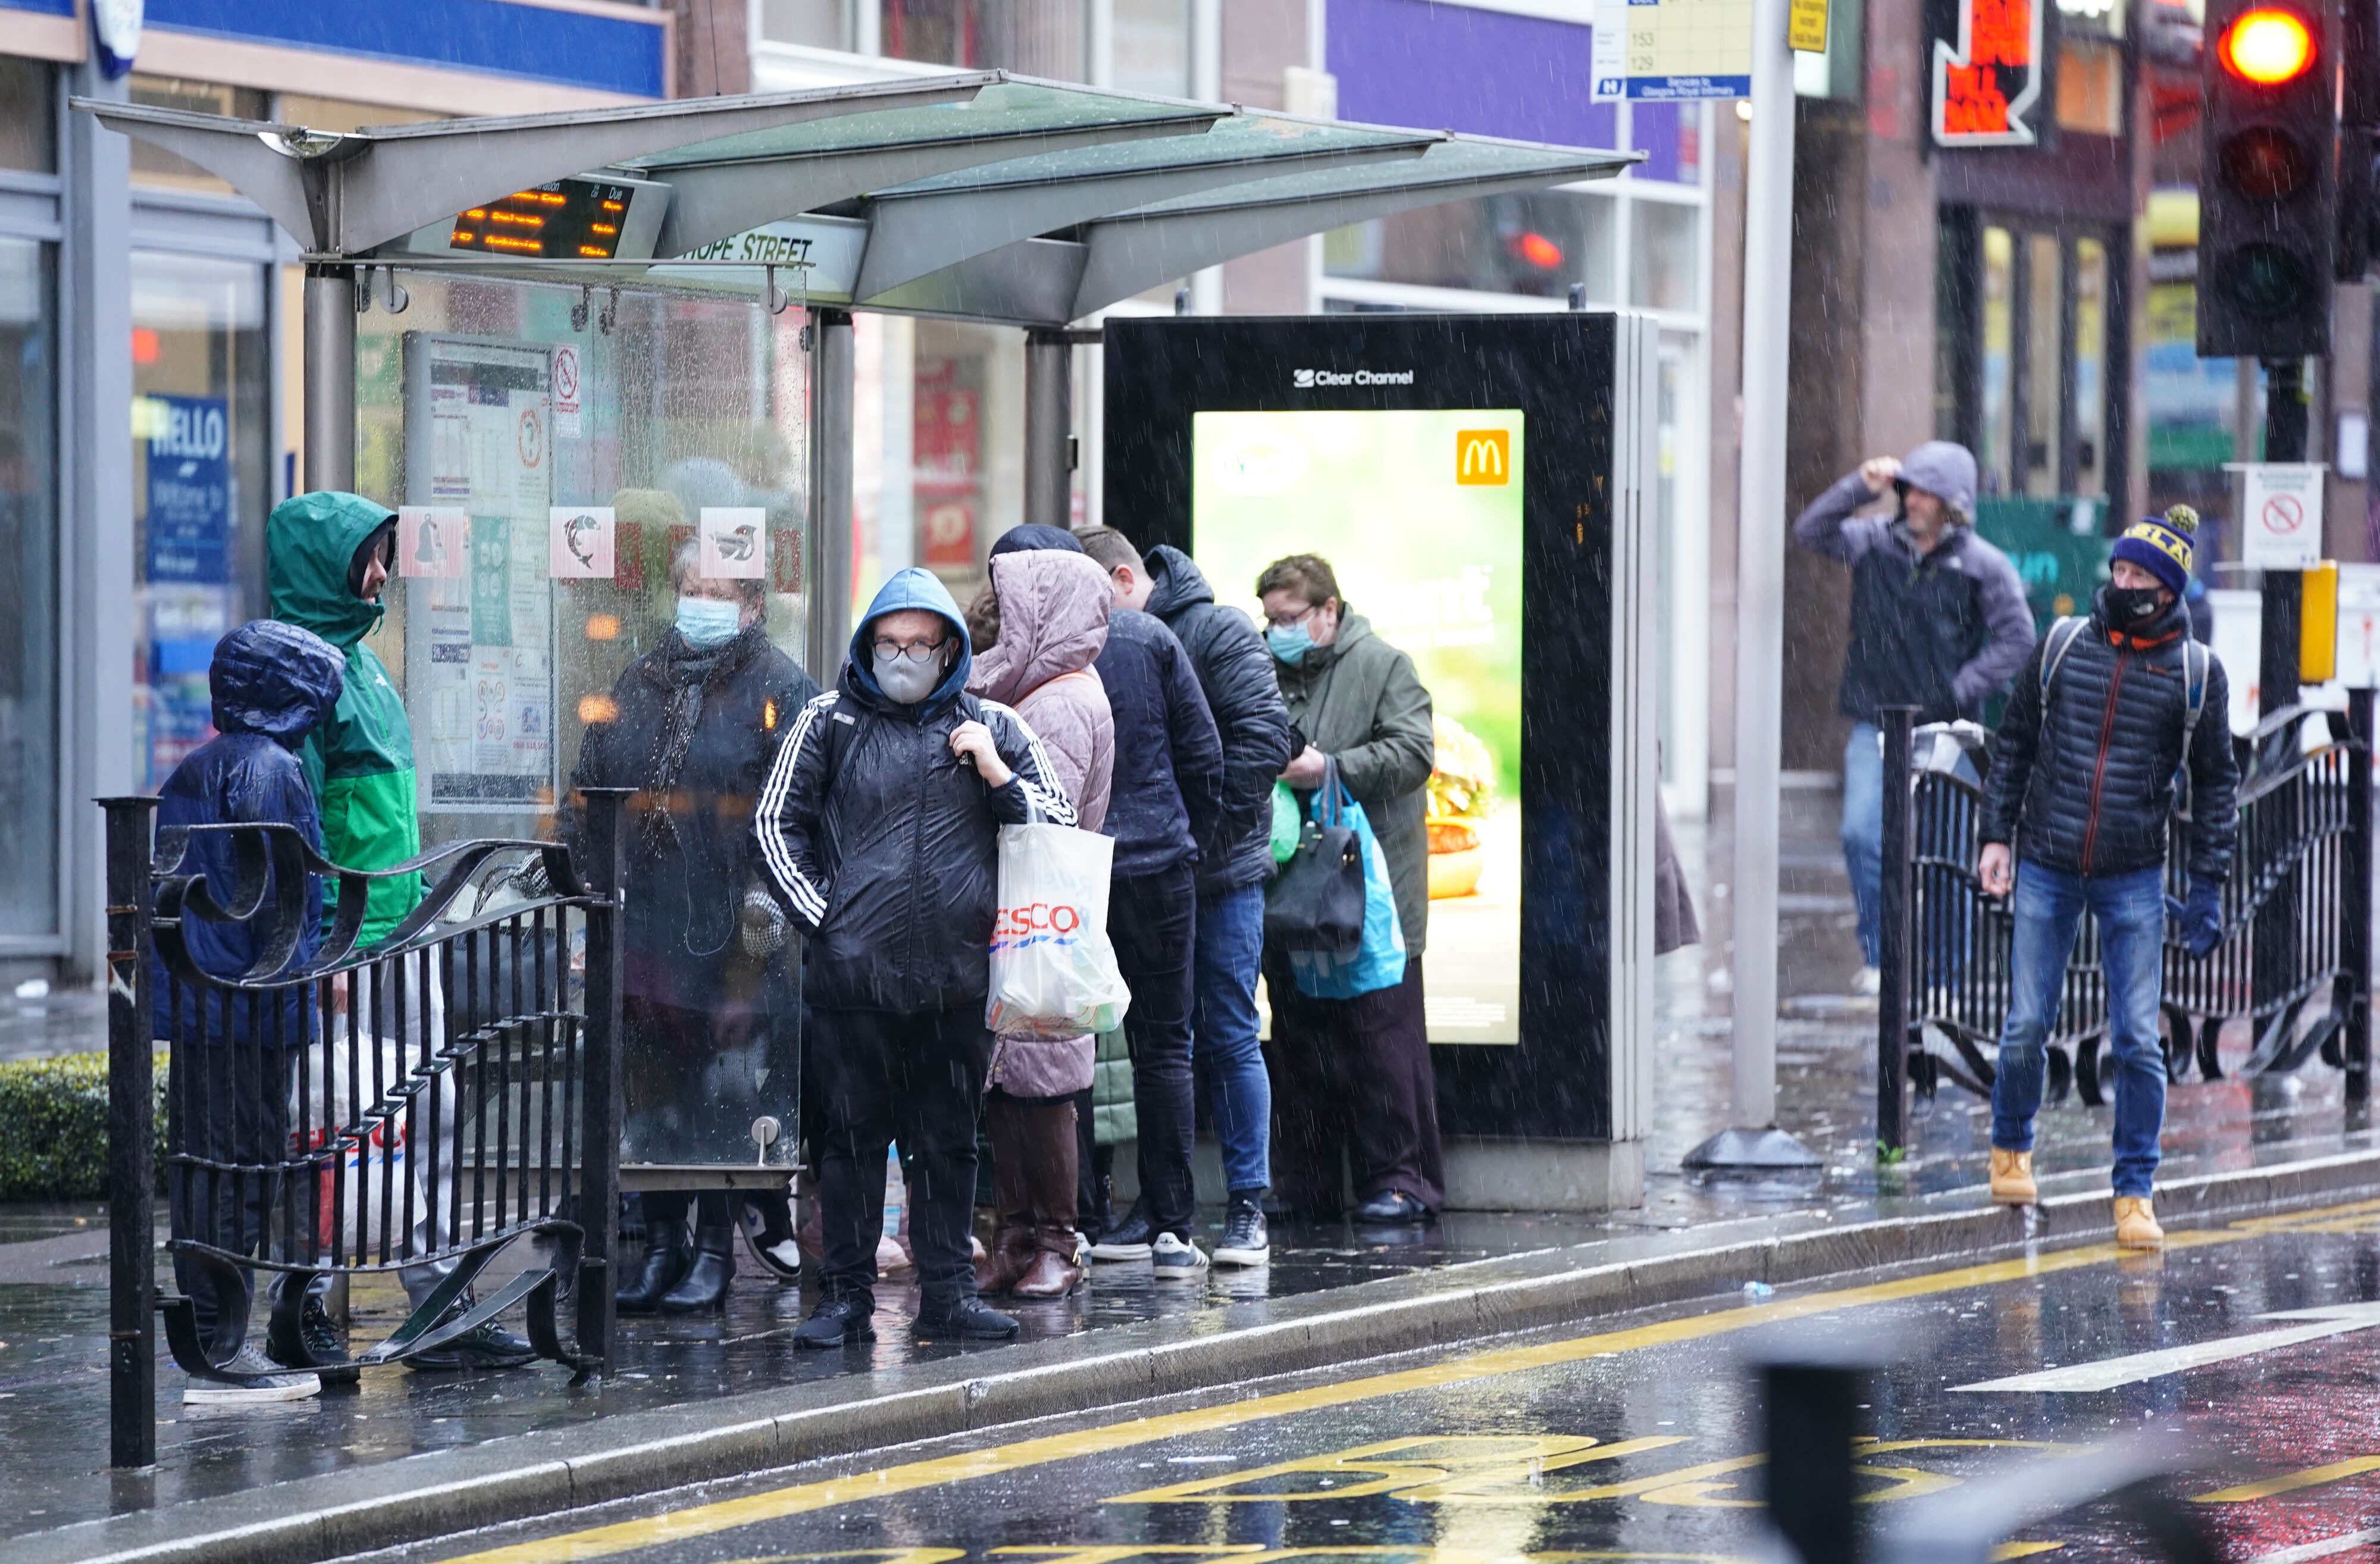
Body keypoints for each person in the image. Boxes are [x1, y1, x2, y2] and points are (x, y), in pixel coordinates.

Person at [755, 566, 1077, 1346]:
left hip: (957, 984)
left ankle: (948, 1294)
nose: (902, 658)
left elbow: (1058, 828)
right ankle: (846, 1299)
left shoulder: (995, 725)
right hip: (851, 986)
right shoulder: (828, 720)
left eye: (918, 645)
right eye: (889, 644)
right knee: (851, 1146)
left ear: (949, 650)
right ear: (868, 646)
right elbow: (774, 824)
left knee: (947, 1146)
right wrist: (826, 921)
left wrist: (997, 774)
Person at [267, 491, 536, 1370]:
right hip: (352, 940)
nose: (383, 573)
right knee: (337, 1121)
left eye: (384, 554)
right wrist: (323, 946)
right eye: (368, 558)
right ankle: (309, 1301)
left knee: (425, 1109)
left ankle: (433, 1300)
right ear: (328, 568)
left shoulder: (360, 664)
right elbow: (300, 824)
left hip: (396, 929)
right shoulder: (305, 673)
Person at [563, 541, 819, 1313]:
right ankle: (662, 1243)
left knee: (722, 1093)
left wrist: (760, 934)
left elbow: (798, 813)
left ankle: (713, 1247)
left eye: (719, 590)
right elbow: (592, 786)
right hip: (648, 925)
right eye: (690, 587)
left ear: (752, 604)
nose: (700, 602)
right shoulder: (641, 678)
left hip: (737, 929)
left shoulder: (781, 686)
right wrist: (583, 888)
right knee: (652, 1090)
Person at [1976, 506, 2237, 1249]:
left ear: (2167, 591)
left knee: (2138, 1041)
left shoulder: (2195, 674)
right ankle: (2010, 1146)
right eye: (2118, 570)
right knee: (2026, 1023)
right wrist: (1995, 835)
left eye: (2137, 577)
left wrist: (2208, 884)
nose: (2122, 584)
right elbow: (2014, 742)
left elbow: (2217, 783)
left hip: (2134, 876)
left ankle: (2134, 1192)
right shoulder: (2063, 644)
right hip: (2047, 861)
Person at [989, 525, 1225, 1277]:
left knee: (1063, 1032)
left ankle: (1081, 1215)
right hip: (1157, 865)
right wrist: (1188, 837)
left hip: (1067, 873)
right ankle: (1170, 1221)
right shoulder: (1146, 636)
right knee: (1166, 1046)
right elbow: (1205, 755)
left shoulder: (1022, 657)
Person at [1079, 527, 1291, 1267]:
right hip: (1153, 874)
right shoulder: (1108, 639)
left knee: (1226, 1032)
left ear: (1121, 578)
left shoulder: (1217, 629)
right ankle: (1159, 1207)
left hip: (1218, 872)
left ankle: (1245, 1207)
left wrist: (1199, 837)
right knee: (1153, 1042)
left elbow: (1262, 742)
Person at [151, 620, 345, 1405]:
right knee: (244, 1170)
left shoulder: (193, 769)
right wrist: (304, 981)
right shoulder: (273, 770)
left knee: (206, 1168)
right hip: (255, 1009)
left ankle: (211, 1335)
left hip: (200, 1004)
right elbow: (289, 898)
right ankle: (222, 1346)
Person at [1791, 443, 2035, 996]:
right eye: (1910, 490)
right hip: (1875, 721)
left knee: (1948, 855)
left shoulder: (1983, 566)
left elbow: (2019, 639)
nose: (1914, 501)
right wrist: (1860, 486)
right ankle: (1882, 957)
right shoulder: (1874, 541)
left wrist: (1957, 691)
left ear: (1955, 503)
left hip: (1948, 732)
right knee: (1862, 834)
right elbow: (1810, 531)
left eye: (1927, 493)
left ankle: (1947, 979)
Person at [1255, 554, 1443, 1224]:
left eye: (1289, 618)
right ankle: (1303, 1184)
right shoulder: (1264, 669)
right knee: (1298, 1040)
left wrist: (1329, 768)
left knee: (1381, 1039)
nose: (1276, 631)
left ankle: (1400, 1181)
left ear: (1329, 610)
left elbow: (1415, 753)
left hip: (1376, 887)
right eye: (1269, 620)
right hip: (1294, 891)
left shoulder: (1383, 666)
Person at [964, 547, 1116, 1299]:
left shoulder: (1056, 703)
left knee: (1042, 1083)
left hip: (1036, 914)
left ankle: (1054, 1239)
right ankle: (1018, 1235)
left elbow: (1037, 815)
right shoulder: (1053, 690)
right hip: (1027, 910)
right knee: (1012, 1078)